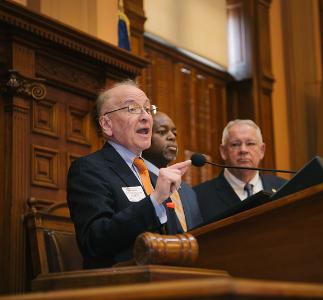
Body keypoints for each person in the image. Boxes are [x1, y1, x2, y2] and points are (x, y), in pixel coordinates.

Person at [67, 80, 191, 269]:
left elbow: (174, 237)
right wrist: (154, 201)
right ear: (107, 124)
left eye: (148, 109)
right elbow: (94, 241)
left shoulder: (153, 177)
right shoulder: (88, 169)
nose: (146, 117)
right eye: (132, 109)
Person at [193, 119, 287, 223]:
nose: (243, 150)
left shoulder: (283, 188)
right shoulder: (199, 196)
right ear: (223, 151)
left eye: (250, 143)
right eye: (235, 144)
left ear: (262, 150)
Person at [142, 112, 203, 231]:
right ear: (144, 138)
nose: (172, 137)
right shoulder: (137, 179)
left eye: (174, 133)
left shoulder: (188, 191)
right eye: (162, 132)